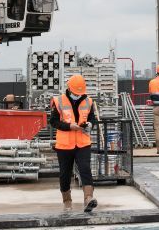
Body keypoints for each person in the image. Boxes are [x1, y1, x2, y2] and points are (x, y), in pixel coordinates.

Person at [49, 74, 98, 213]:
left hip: (83, 143)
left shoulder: (88, 101)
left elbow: (92, 118)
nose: (78, 95)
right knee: (65, 174)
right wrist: (69, 126)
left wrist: (90, 124)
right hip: (64, 145)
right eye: (76, 93)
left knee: (85, 169)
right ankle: (67, 201)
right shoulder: (59, 101)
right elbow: (53, 122)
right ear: (69, 89)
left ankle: (88, 198)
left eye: (80, 93)